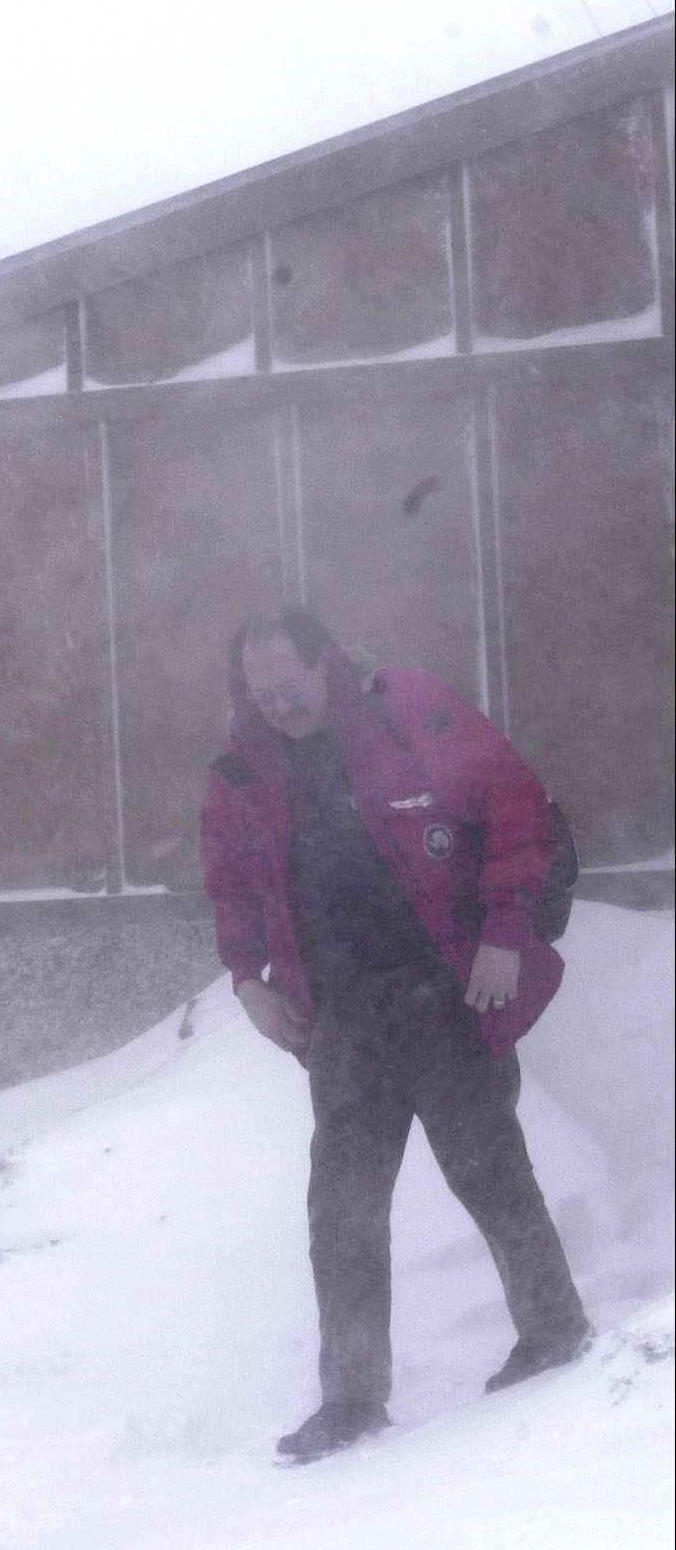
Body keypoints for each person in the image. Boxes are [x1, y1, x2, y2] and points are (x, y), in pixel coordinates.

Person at [199, 606, 590, 1465]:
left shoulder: (405, 712)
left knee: (488, 1172)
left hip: (444, 988)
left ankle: (553, 1331)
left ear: (323, 663)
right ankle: (350, 1397)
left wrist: (501, 933)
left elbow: (517, 809)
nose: (280, 707)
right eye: (262, 694)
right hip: (338, 1013)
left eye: (291, 688)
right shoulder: (243, 767)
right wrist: (247, 980)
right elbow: (228, 883)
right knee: (340, 1211)